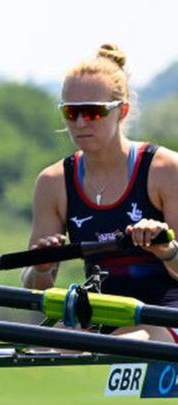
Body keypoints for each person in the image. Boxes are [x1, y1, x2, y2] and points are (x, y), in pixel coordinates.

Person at [23, 44, 178, 342]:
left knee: (125, 343)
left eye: (93, 113)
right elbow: (34, 287)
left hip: (166, 316)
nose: (80, 123)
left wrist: (166, 249)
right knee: (43, 351)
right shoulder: (52, 183)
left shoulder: (165, 170)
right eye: (71, 112)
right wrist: (42, 268)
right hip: (101, 319)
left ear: (122, 111)